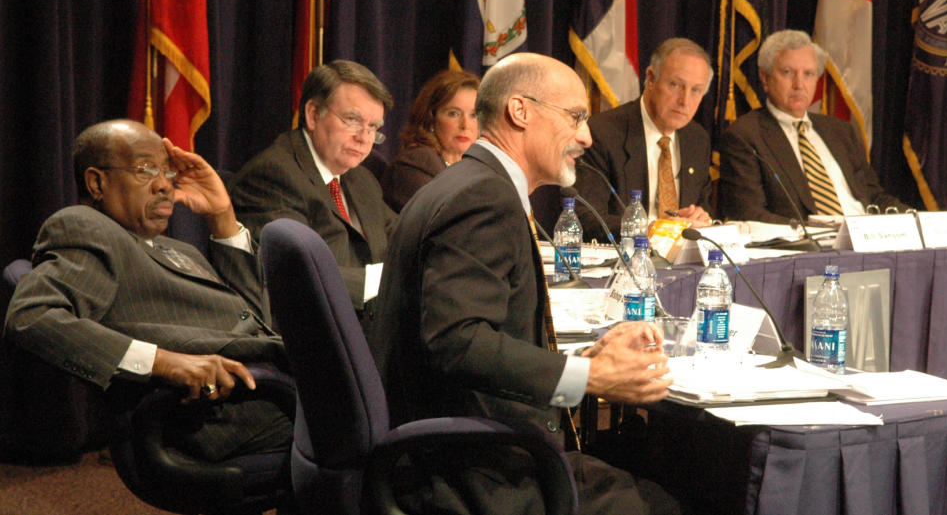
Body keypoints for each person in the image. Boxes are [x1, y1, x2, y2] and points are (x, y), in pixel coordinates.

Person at [372, 53, 679, 515]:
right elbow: (456, 341)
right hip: (468, 475)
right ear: (520, 111)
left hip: (462, 451)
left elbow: (478, 332)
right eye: (576, 117)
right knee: (673, 498)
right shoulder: (483, 196)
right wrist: (590, 377)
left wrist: (584, 359)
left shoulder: (469, 183)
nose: (586, 136)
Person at [3, 120, 291, 462]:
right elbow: (31, 317)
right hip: (220, 413)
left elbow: (253, 316)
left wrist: (222, 216)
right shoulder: (83, 226)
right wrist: (164, 362)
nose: (164, 186)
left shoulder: (178, 249)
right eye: (145, 170)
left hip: (273, 384)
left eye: (167, 173)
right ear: (97, 182)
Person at [229, 60, 397, 329]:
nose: (364, 138)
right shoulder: (272, 175)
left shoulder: (362, 179)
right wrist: (388, 283)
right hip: (313, 334)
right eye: (353, 120)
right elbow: (293, 274)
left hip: (372, 326)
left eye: (374, 127)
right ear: (312, 113)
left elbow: (400, 240)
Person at [719, 29, 907, 223]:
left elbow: (874, 197)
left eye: (808, 74)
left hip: (866, 238)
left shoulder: (840, 131)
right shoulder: (746, 136)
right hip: (810, 246)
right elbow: (749, 214)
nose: (799, 84)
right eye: (788, 72)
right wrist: (823, 231)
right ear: (765, 78)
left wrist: (915, 219)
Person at [575, 37, 715, 241]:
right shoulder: (603, 133)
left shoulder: (696, 139)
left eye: (696, 90)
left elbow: (701, 206)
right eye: (675, 85)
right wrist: (652, 229)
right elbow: (585, 218)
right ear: (651, 79)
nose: (685, 101)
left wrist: (697, 216)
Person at [381, 69, 480, 212]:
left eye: (474, 115)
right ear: (430, 118)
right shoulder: (417, 163)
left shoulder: (476, 167)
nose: (465, 125)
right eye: (454, 114)